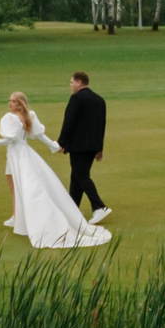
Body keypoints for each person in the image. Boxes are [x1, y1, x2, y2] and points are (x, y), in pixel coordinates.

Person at [0, 92, 111, 249]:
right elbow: (40, 136)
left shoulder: (13, 118)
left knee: (24, 185)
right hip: (18, 153)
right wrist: (54, 146)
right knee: (13, 183)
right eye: (9, 101)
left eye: (13, 101)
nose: (10, 103)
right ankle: (16, 215)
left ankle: (29, 218)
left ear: (20, 104)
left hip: (17, 154)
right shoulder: (26, 116)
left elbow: (12, 139)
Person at [55, 72, 111, 223]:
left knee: (81, 176)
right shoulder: (99, 100)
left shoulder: (76, 98)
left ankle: (99, 207)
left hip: (79, 146)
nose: (71, 85)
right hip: (92, 146)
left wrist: (61, 142)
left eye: (72, 82)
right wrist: (100, 148)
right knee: (77, 176)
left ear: (79, 82)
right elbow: (101, 125)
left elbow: (69, 121)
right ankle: (72, 209)